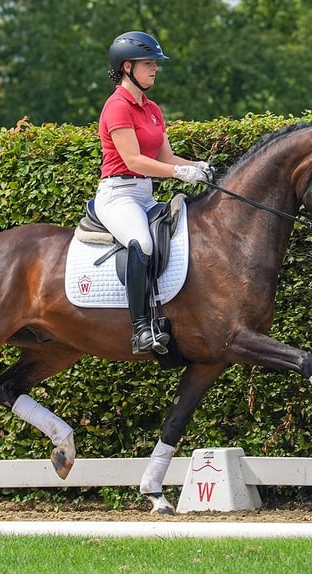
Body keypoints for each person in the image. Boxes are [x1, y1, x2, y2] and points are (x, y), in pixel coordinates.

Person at [95, 30, 213, 355]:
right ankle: (139, 329)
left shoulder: (152, 109)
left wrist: (198, 167)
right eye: (149, 63)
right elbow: (134, 160)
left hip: (144, 194)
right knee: (143, 243)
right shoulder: (117, 107)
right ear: (128, 66)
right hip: (118, 195)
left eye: (155, 64)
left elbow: (166, 158)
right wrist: (179, 173)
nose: (155, 69)